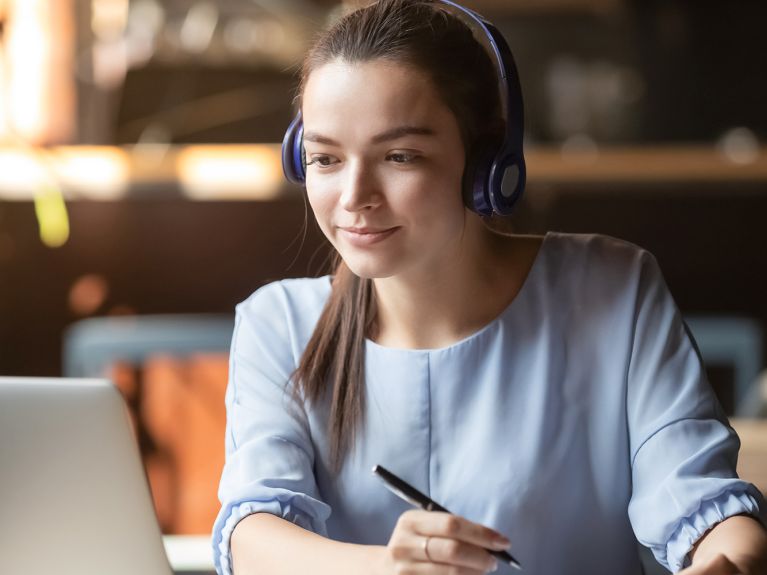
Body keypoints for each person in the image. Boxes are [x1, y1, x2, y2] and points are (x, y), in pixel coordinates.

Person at [211, 1, 767, 574]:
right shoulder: (277, 323)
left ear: (486, 164)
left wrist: (731, 560)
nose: (354, 196)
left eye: (400, 156)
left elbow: (703, 505)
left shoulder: (613, 290)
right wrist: (389, 570)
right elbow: (254, 534)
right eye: (325, 158)